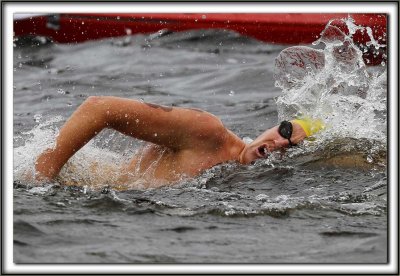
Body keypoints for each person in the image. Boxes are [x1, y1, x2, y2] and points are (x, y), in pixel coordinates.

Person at [35, 96, 323, 185]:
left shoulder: (249, 183)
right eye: (286, 131)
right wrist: (41, 177)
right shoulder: (207, 133)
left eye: (294, 147)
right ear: (273, 126)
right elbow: (98, 108)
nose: (282, 143)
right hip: (73, 185)